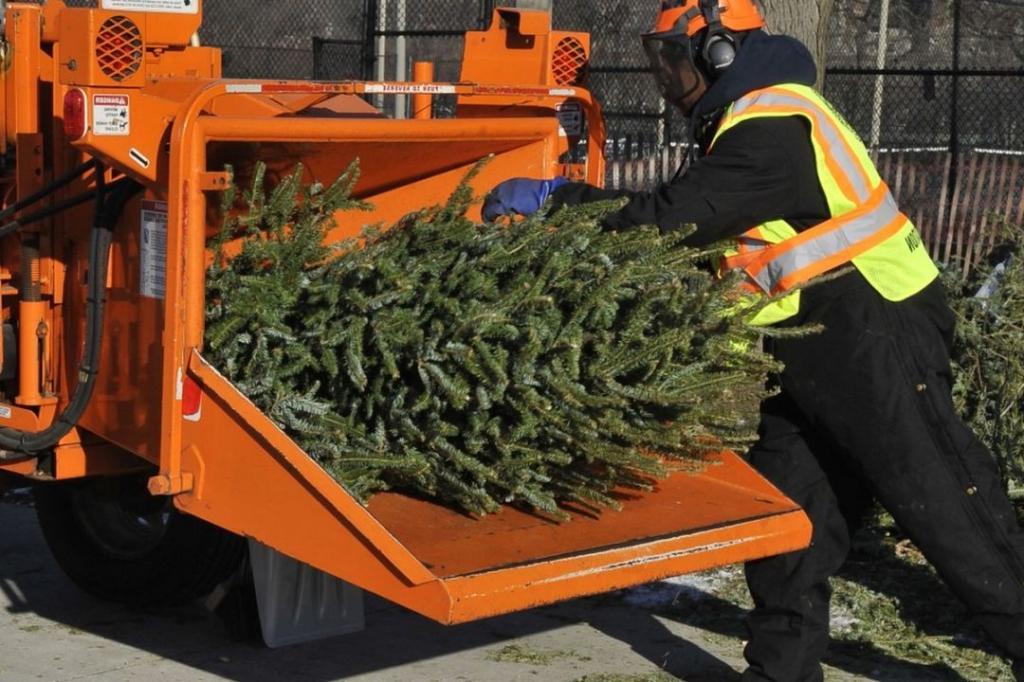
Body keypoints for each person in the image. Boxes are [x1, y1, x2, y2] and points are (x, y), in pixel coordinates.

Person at [483, 1, 1024, 680]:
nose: (665, 77)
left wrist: (558, 204)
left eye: (673, 59)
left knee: (944, 503)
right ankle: (782, 670)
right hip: (806, 340)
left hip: (872, 323)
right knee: (792, 515)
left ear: (719, 52)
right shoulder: (742, 122)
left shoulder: (773, 123)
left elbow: (676, 220)